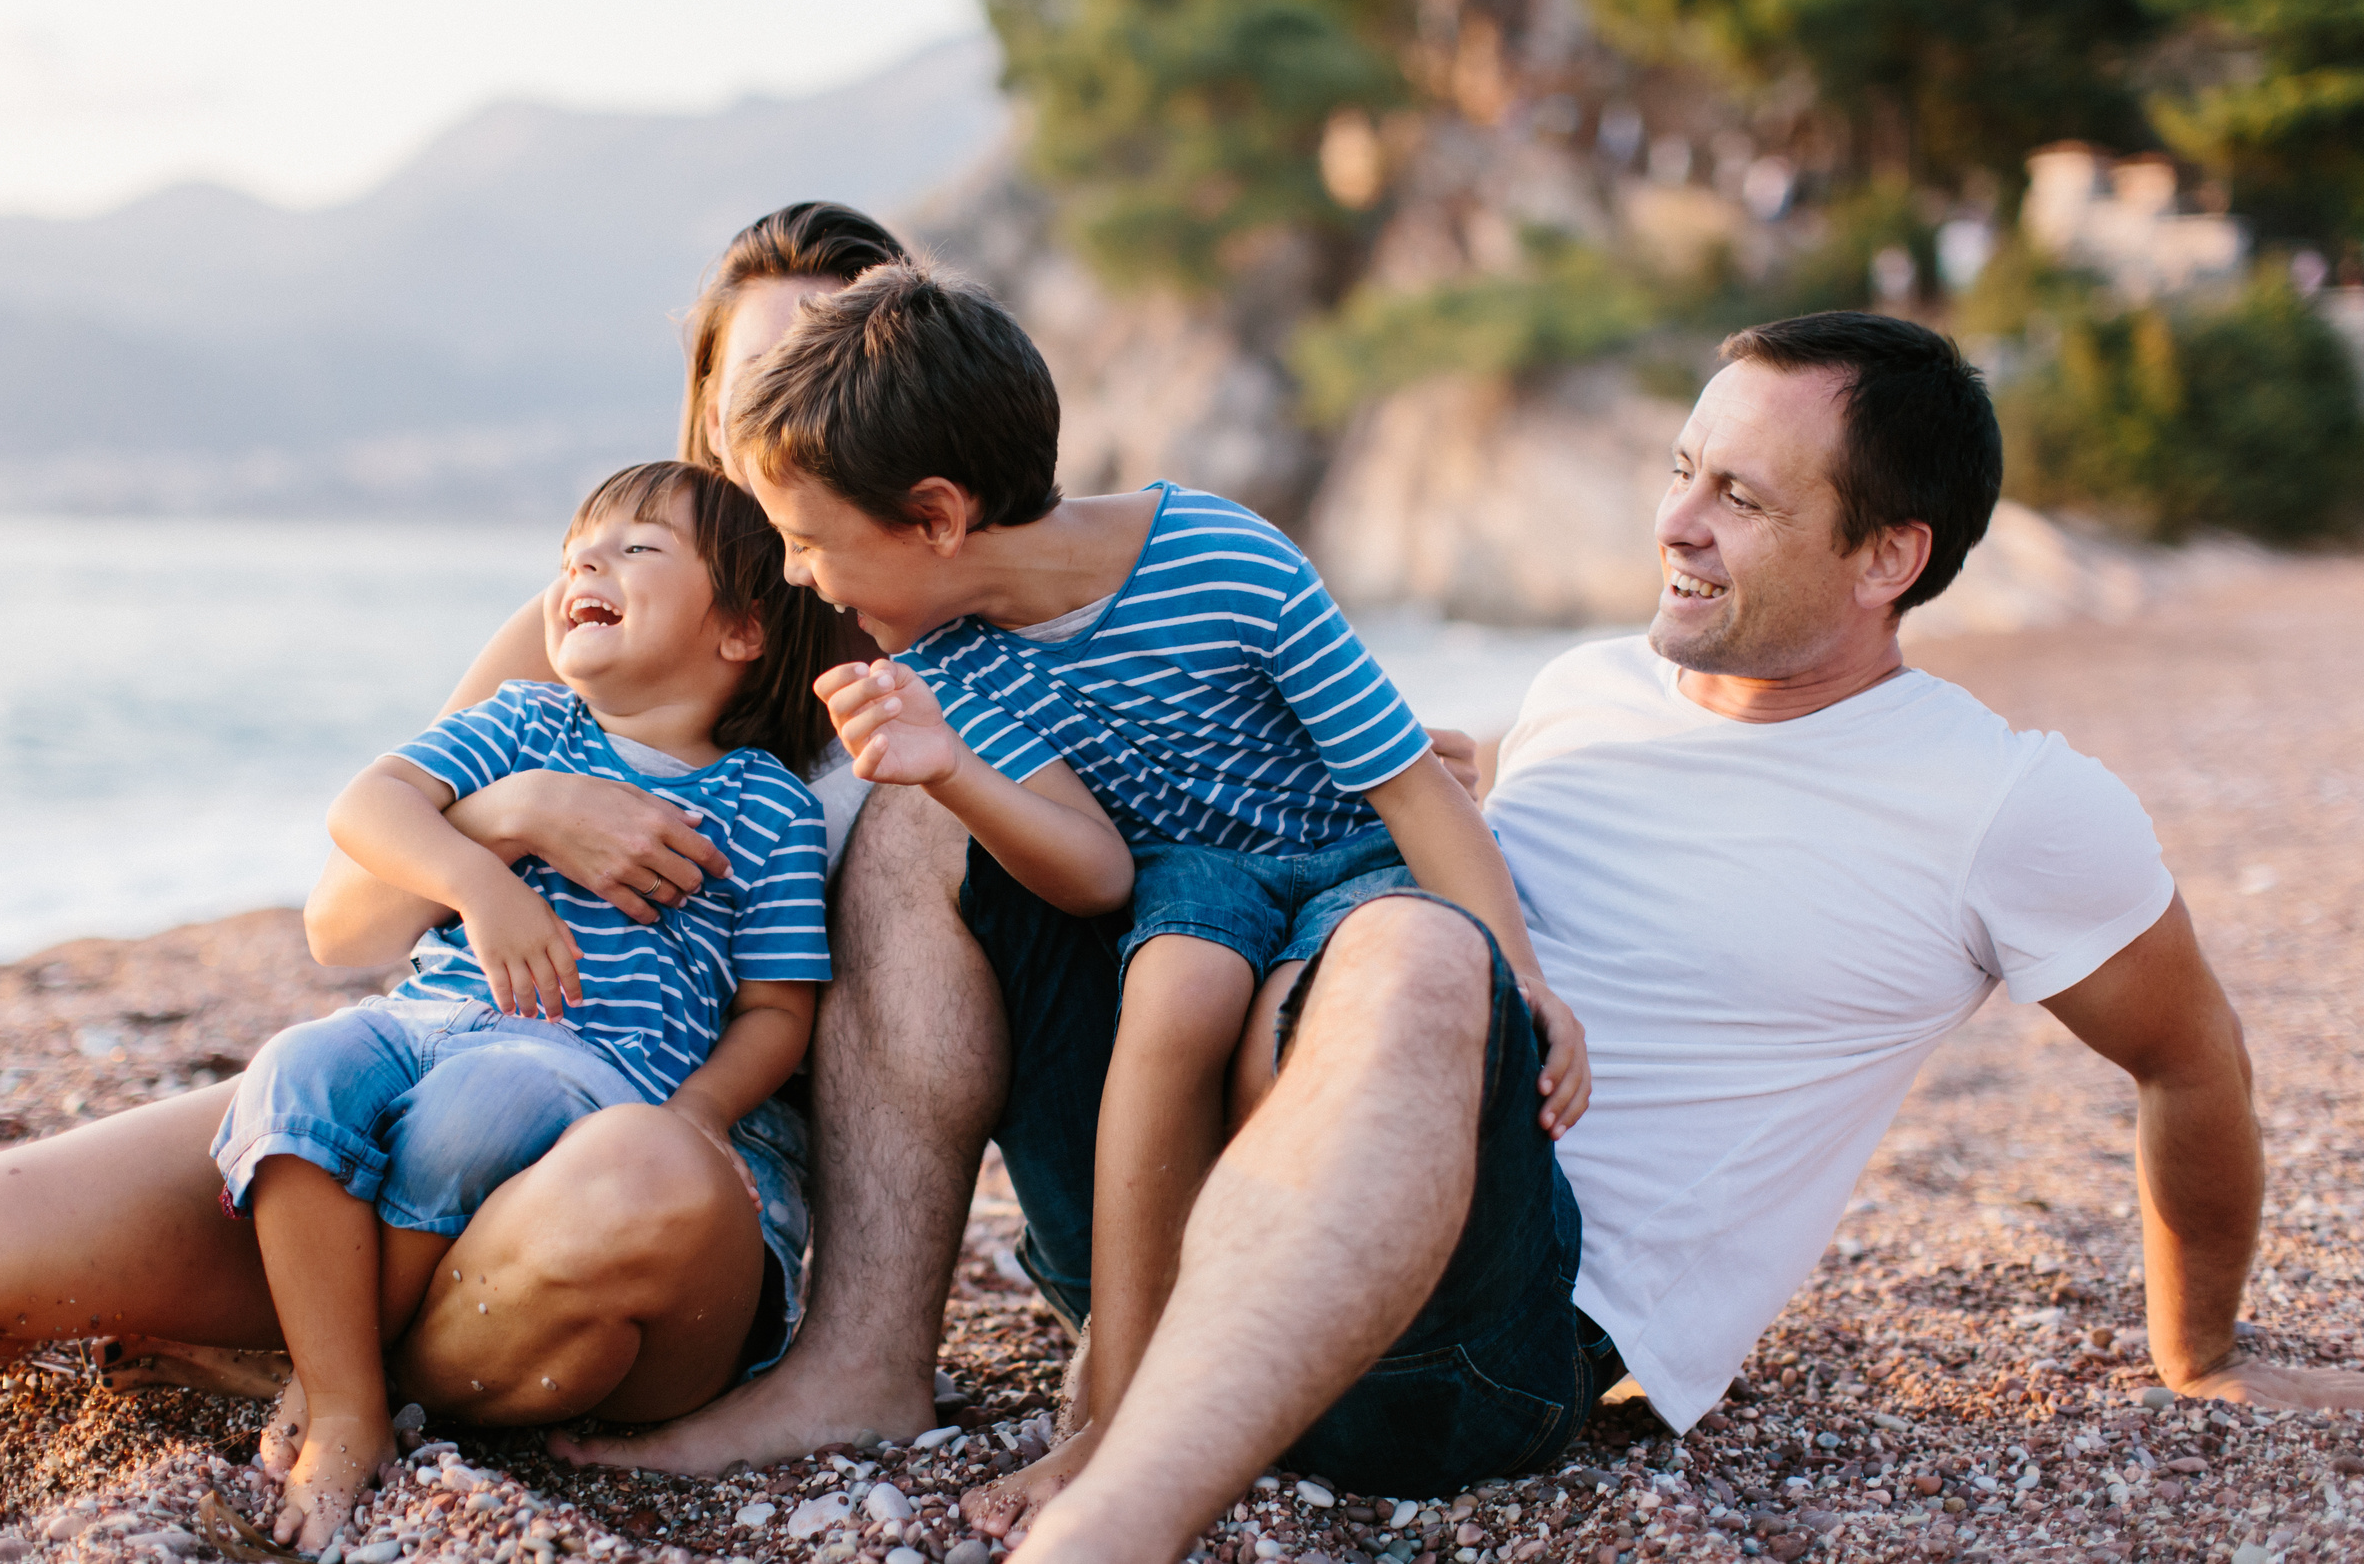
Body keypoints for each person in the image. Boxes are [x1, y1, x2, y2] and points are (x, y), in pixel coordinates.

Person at [602, 310, 2364, 1564]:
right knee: (925, 798)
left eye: (1741, 497)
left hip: (1480, 1347)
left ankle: (1119, 1515)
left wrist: (2196, 1348)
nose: (1672, 519)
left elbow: (2189, 1054)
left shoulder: (2007, 801)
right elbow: (1393, 815)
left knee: (1428, 952)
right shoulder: (1591, 685)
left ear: (1892, 553)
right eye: (1684, 468)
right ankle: (865, 1364)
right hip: (1197, 1207)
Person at [0, 203, 910, 1419]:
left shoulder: (941, 669)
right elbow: (346, 928)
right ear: (707, 412)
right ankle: (345, 1354)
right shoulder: (578, 644)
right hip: (429, 1086)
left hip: (657, 1163)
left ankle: (331, 1372)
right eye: (755, 377)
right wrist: (518, 815)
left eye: (827, 365)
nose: (787, 409)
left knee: (633, 1183)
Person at [559, 260, 1597, 1528]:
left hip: (1343, 879)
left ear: (937, 517)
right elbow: (1095, 867)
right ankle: (1099, 1374)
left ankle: (1143, 1397)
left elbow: (1412, 791)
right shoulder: (942, 651)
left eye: (808, 540)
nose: (795, 573)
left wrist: (1525, 979)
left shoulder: (1223, 559)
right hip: (1189, 889)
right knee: (1178, 980)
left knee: (1278, 995)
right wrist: (945, 772)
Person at [227, 461, 838, 1548]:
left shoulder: (766, 805)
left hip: (593, 1070)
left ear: (740, 631)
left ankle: (346, 1398)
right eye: (573, 554)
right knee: (294, 1072)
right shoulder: (522, 724)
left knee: (486, 1105)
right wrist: (478, 879)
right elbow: (368, 806)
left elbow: (777, 1012)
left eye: (635, 550)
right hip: (424, 1019)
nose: (586, 565)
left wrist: (700, 1113)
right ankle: (341, 1387)